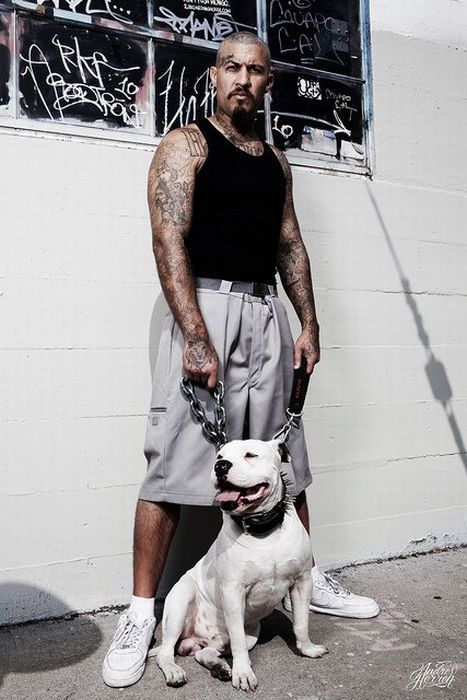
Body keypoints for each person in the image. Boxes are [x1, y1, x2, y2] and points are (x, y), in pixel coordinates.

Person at [102, 31, 379, 689]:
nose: (243, 80)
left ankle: (306, 577)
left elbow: (289, 243)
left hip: (264, 313)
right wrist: (195, 334)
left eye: (256, 71)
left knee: (286, 459)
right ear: (215, 75)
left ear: (268, 83)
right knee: (171, 462)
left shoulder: (276, 161)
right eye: (232, 67)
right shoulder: (186, 145)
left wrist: (307, 321)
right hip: (202, 307)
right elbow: (167, 240)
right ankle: (142, 614)